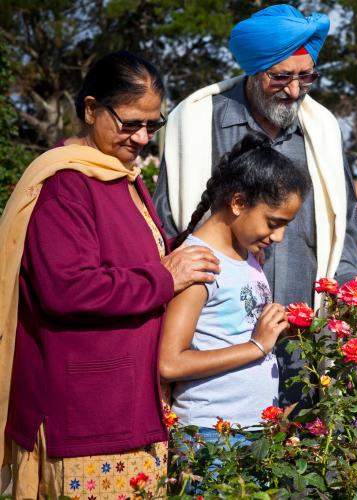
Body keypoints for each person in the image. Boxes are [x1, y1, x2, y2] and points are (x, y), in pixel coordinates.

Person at [0, 51, 220, 499]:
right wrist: (164, 278)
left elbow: (133, 258)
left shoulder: (120, 177)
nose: (142, 137)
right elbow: (68, 289)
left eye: (152, 125)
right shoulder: (67, 184)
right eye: (130, 123)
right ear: (89, 109)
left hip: (129, 400)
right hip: (86, 411)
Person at [153, 3, 357, 409]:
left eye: (307, 77)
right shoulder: (197, 122)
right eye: (280, 77)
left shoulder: (321, 129)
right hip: (216, 341)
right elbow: (167, 222)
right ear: (254, 69)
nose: (295, 91)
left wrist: (346, 295)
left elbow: (345, 229)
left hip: (306, 332)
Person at [159, 131, 310, 440]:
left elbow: (232, 331)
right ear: (239, 202)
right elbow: (170, 363)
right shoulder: (199, 264)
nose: (278, 237)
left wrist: (277, 330)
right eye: (273, 223)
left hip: (253, 427)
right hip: (212, 433)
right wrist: (256, 346)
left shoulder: (247, 255)